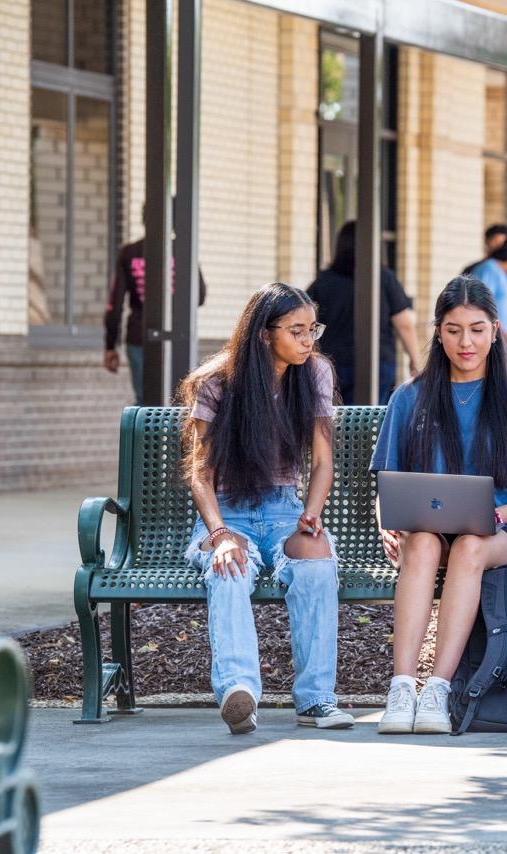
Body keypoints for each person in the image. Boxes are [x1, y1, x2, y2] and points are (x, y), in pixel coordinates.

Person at [370, 276, 507, 735]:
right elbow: (388, 485)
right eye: (454, 329)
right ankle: (401, 687)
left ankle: (438, 689)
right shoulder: (410, 397)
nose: (466, 342)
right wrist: (386, 525)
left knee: (470, 546)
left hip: (498, 533)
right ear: (439, 332)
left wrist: (497, 515)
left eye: (477, 329)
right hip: (427, 528)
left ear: (495, 331)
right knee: (421, 545)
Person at [178, 283, 354, 734]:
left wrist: (312, 513)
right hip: (227, 513)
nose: (308, 339)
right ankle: (239, 693)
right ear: (263, 334)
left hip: (284, 510)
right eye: (296, 331)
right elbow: (200, 473)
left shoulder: (314, 374)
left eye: (312, 329)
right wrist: (218, 536)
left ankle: (316, 700)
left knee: (316, 562)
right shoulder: (217, 382)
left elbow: (323, 461)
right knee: (228, 566)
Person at [104, 204, 208, 404]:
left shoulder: (129, 253)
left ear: (144, 219)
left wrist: (111, 345)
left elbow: (114, 305)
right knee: (176, 402)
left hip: (138, 337)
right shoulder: (183, 251)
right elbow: (200, 296)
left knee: (145, 402)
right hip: (176, 337)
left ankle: (141, 435)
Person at [309, 221, 420, 404]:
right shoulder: (384, 278)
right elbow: (404, 324)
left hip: (333, 362)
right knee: (371, 423)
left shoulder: (323, 281)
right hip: (378, 362)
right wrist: (415, 360)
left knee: (335, 421)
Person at [467, 242, 507, 355]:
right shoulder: (489, 269)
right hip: (494, 337)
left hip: (501, 339)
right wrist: (503, 332)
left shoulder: (499, 273)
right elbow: (480, 303)